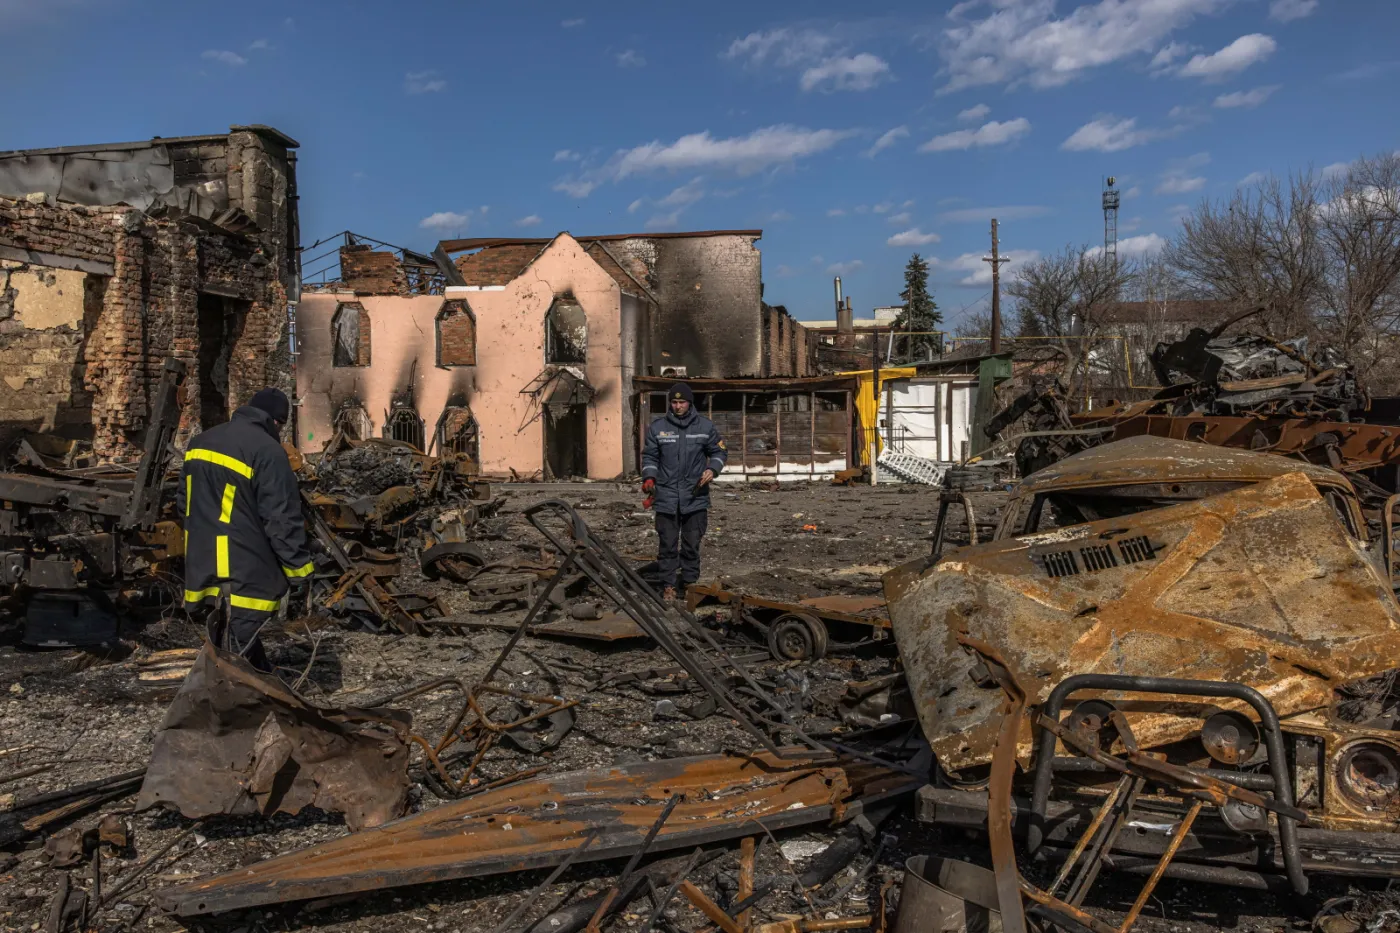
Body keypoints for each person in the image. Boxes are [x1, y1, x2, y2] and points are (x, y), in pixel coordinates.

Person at [176, 387, 314, 671]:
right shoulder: (268, 451)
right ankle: (235, 694)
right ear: (277, 421)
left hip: (201, 557)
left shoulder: (200, 442)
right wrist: (299, 569)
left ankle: (256, 674)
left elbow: (183, 502)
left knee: (222, 627)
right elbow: (281, 518)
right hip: (242, 564)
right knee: (241, 633)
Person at [641, 382, 727, 601]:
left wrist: (712, 469)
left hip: (695, 497)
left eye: (682, 402)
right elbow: (650, 456)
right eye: (674, 402)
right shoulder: (658, 428)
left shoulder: (705, 427)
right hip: (666, 497)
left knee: (691, 543)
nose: (678, 406)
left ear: (690, 403)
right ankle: (668, 585)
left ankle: (689, 584)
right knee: (667, 544)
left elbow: (719, 452)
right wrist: (649, 477)